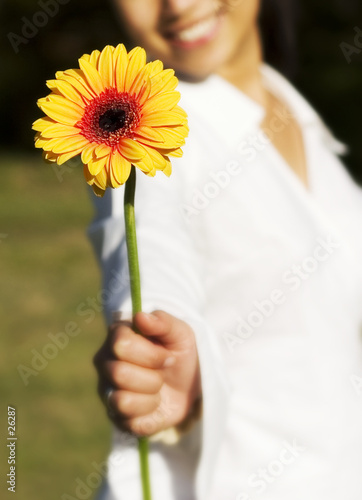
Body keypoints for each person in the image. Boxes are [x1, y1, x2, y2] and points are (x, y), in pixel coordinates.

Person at [89, 1, 362, 499]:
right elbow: (150, 238)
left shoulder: (290, 106)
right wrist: (159, 344)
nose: (177, 5)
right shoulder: (142, 128)